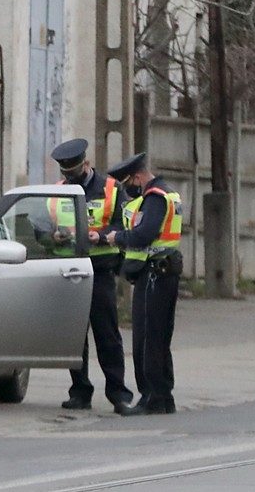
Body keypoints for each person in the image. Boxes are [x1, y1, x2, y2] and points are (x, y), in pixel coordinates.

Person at [48, 138, 135, 414]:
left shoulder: (110, 188)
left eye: (74, 172)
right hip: (70, 270)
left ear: (86, 164)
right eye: (66, 173)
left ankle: (118, 394)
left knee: (107, 334)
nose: (70, 177)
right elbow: (42, 224)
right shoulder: (58, 191)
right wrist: (51, 235)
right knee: (75, 336)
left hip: (100, 271)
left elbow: (124, 223)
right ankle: (80, 392)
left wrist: (102, 235)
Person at [105, 152, 183, 416]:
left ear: (137, 177)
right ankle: (163, 397)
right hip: (162, 273)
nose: (128, 189)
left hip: (155, 275)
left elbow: (145, 233)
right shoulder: (166, 192)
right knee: (159, 338)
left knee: (147, 338)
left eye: (128, 183)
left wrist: (119, 237)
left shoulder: (155, 197)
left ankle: (150, 396)